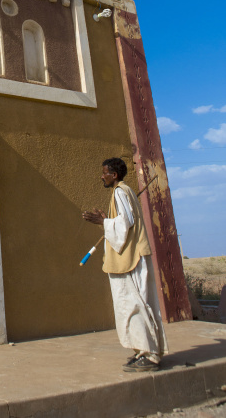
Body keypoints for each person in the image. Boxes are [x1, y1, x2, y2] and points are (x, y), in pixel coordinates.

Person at [82, 158, 168, 372]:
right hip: (132, 257)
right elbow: (123, 220)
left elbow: (126, 222)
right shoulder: (124, 192)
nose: (102, 176)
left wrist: (103, 222)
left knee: (133, 304)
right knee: (135, 303)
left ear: (115, 175)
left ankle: (149, 354)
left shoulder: (120, 191)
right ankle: (143, 350)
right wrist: (108, 220)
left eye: (105, 173)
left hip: (131, 259)